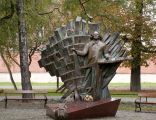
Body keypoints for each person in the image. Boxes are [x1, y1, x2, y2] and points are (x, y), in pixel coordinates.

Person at [72, 31, 108, 100]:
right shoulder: (88, 44)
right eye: (94, 34)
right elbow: (84, 53)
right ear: (92, 36)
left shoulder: (103, 45)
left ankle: (96, 96)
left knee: (97, 81)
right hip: (90, 65)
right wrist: (76, 51)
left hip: (98, 65)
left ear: (99, 35)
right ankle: (85, 94)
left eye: (97, 34)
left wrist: (107, 57)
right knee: (87, 79)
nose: (96, 35)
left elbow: (105, 54)